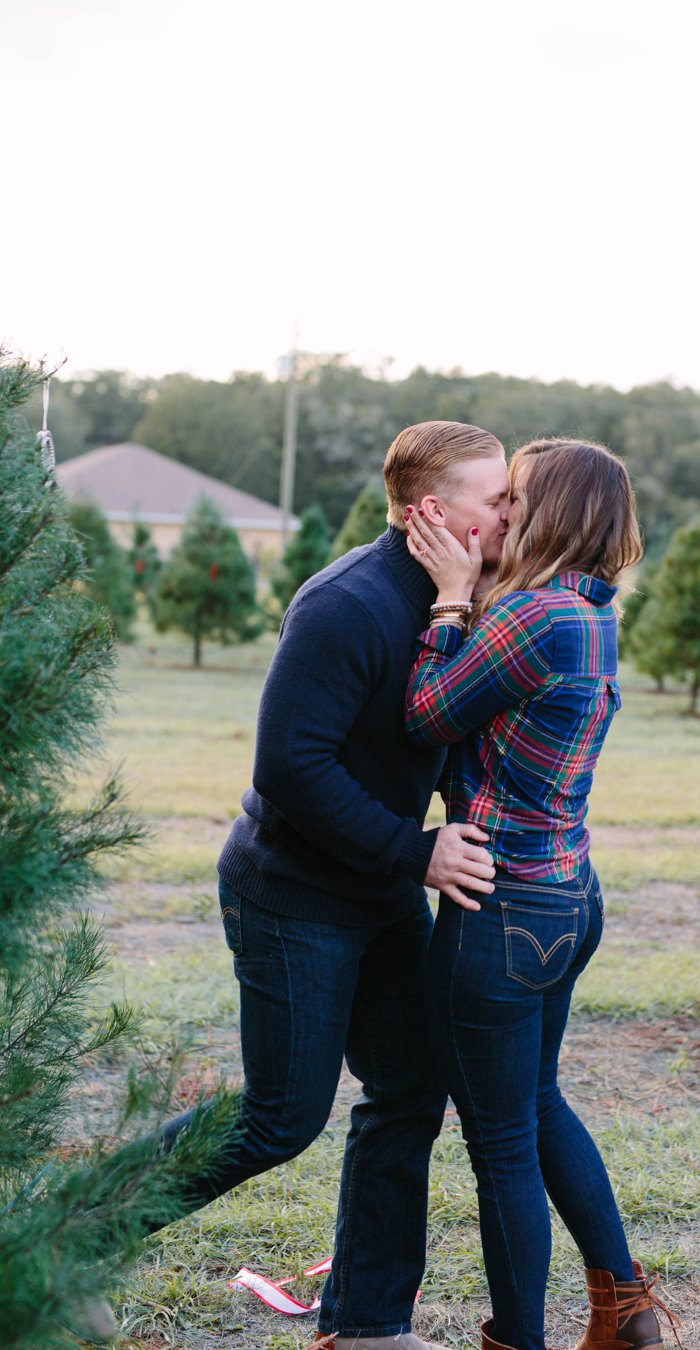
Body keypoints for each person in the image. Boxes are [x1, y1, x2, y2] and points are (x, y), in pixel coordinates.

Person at [153, 421, 511, 1350]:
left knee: (408, 1088)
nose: (514, 509)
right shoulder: (346, 604)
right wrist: (418, 851)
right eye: (497, 496)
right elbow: (289, 768)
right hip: (295, 891)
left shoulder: (458, 597)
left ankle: (368, 1326)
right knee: (281, 1117)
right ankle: (66, 1242)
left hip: (380, 890)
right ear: (434, 511)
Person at [402, 440, 683, 1350]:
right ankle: (626, 1309)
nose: (506, 510)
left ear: (550, 513)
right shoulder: (590, 612)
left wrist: (448, 602)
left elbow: (429, 713)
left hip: (502, 910)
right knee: (539, 1102)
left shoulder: (533, 617)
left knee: (500, 1144)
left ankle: (518, 1342)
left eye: (518, 497)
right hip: (567, 895)